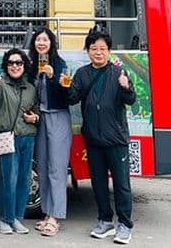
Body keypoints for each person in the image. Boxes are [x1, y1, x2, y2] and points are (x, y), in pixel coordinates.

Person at [61, 30, 135, 245]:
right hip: (93, 139)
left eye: (102, 48)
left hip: (116, 140)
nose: (98, 52)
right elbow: (72, 99)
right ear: (88, 51)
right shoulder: (82, 73)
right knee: (99, 184)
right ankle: (105, 221)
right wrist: (65, 87)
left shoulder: (119, 72)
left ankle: (125, 225)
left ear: (109, 51)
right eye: (94, 49)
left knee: (121, 184)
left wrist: (126, 87)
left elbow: (130, 100)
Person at [0, 48, 39, 235]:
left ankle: (17, 218)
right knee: (8, 178)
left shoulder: (31, 88)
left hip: (27, 137)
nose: (15, 66)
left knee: (24, 179)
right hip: (5, 136)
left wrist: (35, 117)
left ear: (24, 66)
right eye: (11, 63)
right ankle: (4, 219)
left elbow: (37, 110)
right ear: (5, 66)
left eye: (19, 63)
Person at [26, 26, 71, 237]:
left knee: (57, 168)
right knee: (42, 167)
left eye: (45, 40)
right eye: (38, 40)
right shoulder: (32, 66)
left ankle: (56, 216)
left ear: (51, 43)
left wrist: (53, 77)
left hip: (58, 117)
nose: (41, 43)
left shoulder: (60, 65)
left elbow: (67, 95)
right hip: (40, 118)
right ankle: (46, 212)